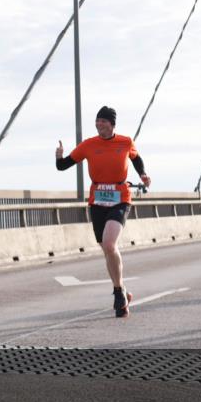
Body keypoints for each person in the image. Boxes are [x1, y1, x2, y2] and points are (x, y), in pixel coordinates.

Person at [55, 106, 151, 317]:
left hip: (120, 197)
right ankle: (123, 290)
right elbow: (63, 166)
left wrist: (143, 174)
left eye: (104, 122)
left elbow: (135, 158)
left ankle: (118, 293)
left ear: (112, 124)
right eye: (97, 121)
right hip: (97, 199)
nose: (99, 125)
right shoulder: (89, 144)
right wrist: (58, 157)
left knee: (109, 243)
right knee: (106, 249)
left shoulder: (125, 142)